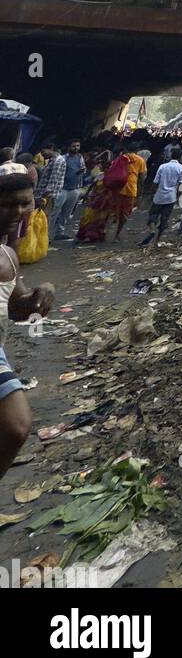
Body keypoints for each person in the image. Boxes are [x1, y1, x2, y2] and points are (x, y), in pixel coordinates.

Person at [0, 164, 55, 478]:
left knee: (17, 426)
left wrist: (40, 295)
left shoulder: (9, 252)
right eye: (8, 204)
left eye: (25, 203)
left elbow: (18, 309)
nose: (18, 211)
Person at [140, 150, 182, 247]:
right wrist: (178, 196)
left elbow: (155, 181)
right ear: (179, 157)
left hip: (160, 195)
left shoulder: (162, 166)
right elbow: (181, 184)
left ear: (171, 155)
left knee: (153, 215)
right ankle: (157, 240)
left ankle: (152, 230)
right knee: (164, 219)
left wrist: (151, 193)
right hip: (171, 197)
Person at [52, 141, 87, 240]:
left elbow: (83, 169)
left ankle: (59, 232)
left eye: (77, 146)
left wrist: (81, 171)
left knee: (67, 213)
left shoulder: (80, 158)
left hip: (74, 188)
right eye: (73, 146)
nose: (76, 148)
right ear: (68, 147)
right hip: (62, 188)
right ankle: (47, 234)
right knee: (55, 211)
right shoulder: (63, 158)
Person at [35, 144, 66, 217]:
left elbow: (53, 181)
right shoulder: (52, 160)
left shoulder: (58, 161)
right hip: (44, 196)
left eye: (43, 152)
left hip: (48, 197)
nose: (42, 155)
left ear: (51, 149)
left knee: (42, 219)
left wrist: (43, 198)